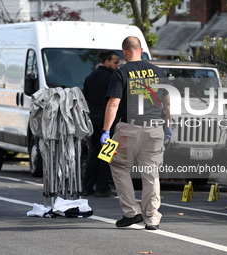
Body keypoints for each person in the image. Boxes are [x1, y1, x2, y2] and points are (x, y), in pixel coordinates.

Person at [100, 36, 172, 230]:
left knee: (116, 163)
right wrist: (168, 125)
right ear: (141, 50)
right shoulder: (158, 71)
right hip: (155, 128)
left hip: (128, 129)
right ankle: (153, 218)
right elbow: (167, 101)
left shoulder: (121, 72)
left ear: (124, 52)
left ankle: (131, 212)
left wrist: (106, 131)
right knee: (151, 173)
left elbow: (113, 103)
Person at [82, 50, 120, 197]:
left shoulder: (90, 77)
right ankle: (102, 187)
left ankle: (87, 186)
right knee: (106, 154)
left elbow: (85, 99)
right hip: (106, 119)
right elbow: (114, 101)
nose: (118, 65)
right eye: (116, 62)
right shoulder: (112, 78)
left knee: (93, 153)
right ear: (107, 62)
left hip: (92, 117)